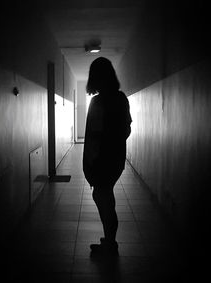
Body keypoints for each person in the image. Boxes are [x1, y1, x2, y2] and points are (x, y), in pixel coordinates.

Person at [83, 57, 132, 256]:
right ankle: (110, 241)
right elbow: (126, 129)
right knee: (105, 197)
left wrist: (89, 163)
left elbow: (92, 136)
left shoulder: (98, 102)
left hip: (102, 160)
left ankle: (110, 244)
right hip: (115, 159)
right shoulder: (121, 98)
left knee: (103, 198)